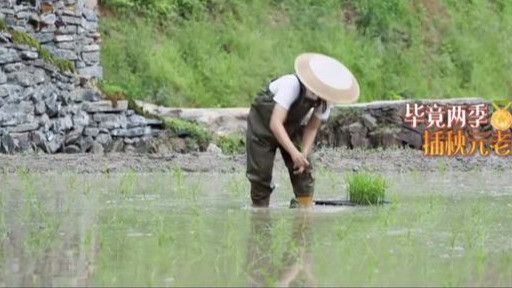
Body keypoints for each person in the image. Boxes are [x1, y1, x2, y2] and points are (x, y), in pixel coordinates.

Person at [246, 53, 360, 208]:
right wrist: (293, 152)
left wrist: (303, 153)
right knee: (260, 175)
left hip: (290, 128)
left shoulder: (325, 100)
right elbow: (275, 123)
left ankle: (305, 211)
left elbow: (312, 127)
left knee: (304, 169)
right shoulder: (291, 84)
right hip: (263, 127)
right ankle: (260, 214)